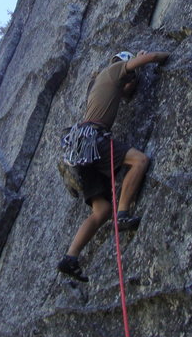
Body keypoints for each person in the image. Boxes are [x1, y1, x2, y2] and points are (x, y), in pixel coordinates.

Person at [57, 49, 170, 282]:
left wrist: (134, 77)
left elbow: (127, 93)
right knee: (140, 160)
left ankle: (71, 257)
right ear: (123, 64)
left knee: (101, 211)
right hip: (94, 138)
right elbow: (147, 59)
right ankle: (124, 213)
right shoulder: (114, 69)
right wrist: (158, 55)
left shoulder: (103, 82)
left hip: (80, 149)